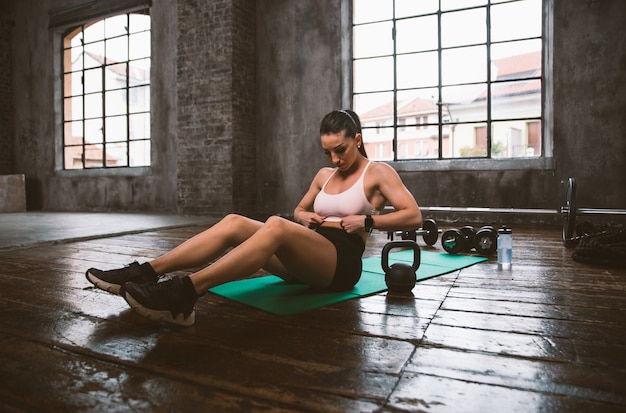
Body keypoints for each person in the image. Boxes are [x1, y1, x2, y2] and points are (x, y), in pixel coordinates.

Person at [86, 109, 422, 326]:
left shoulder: (378, 173)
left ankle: (186, 292)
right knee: (235, 221)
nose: (334, 159)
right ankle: (146, 272)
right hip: (304, 257)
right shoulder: (325, 176)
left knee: (275, 225)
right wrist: (304, 217)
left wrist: (368, 222)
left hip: (340, 264)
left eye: (341, 150)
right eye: (328, 152)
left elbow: (414, 216)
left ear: (358, 140)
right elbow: (299, 209)